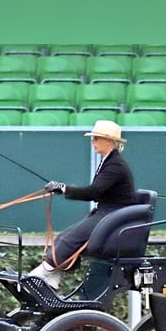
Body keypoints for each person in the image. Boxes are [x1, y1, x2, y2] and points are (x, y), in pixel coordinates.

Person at [29, 120, 138, 291]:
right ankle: (53, 279)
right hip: (106, 212)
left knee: (71, 239)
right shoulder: (109, 162)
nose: (92, 141)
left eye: (96, 138)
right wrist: (62, 189)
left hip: (113, 215)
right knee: (64, 236)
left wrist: (63, 188)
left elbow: (93, 192)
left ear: (109, 141)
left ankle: (42, 274)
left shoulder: (115, 165)